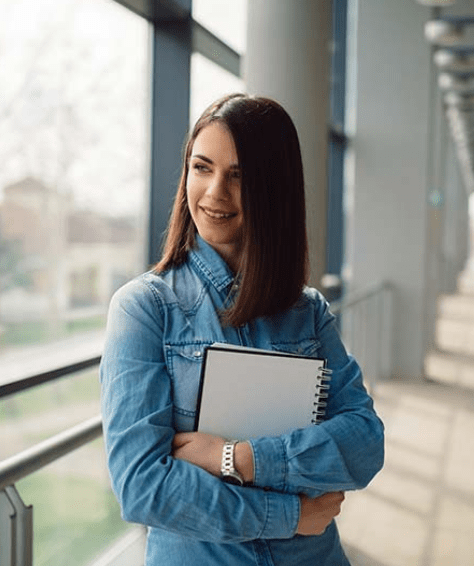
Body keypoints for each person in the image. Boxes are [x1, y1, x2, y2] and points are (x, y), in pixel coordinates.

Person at [100, 93, 384, 565]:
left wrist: (236, 457)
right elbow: (142, 487)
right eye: (202, 167)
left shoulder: (307, 311)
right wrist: (287, 514)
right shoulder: (145, 309)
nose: (214, 193)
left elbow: (365, 443)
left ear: (275, 188)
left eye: (240, 176)